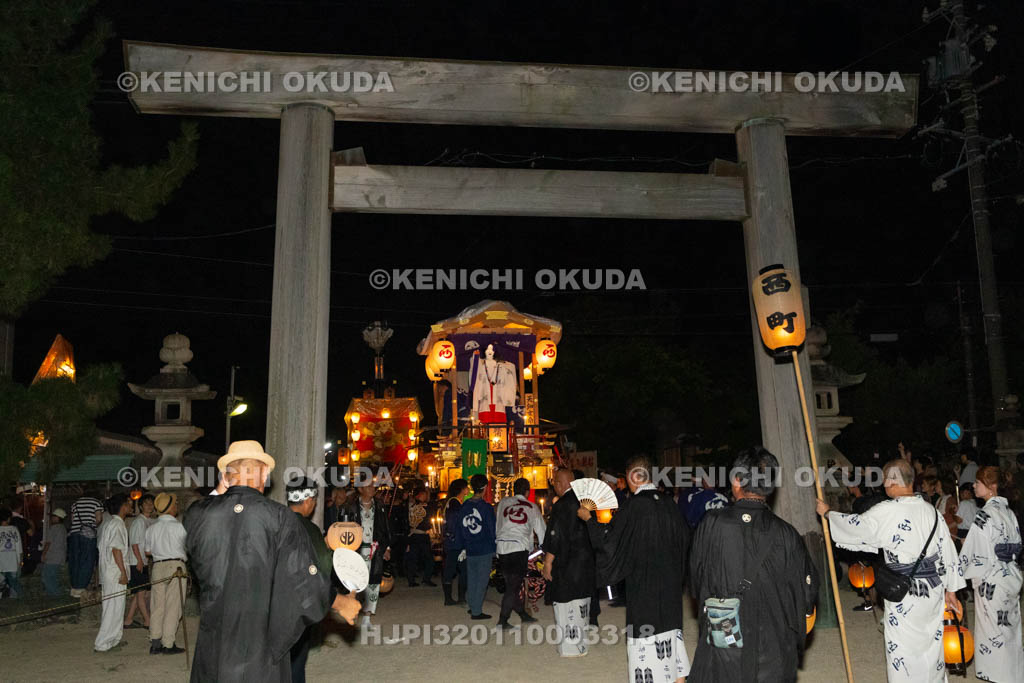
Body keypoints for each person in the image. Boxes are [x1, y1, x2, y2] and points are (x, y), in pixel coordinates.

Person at [184, 441, 331, 681]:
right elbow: (306, 588)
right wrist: (280, 640)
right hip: (260, 645)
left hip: (214, 642)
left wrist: (222, 491)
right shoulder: (281, 517)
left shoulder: (197, 515)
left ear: (225, 476)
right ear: (264, 473)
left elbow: (200, 515)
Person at [818, 458, 965, 681]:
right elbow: (948, 553)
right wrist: (951, 591)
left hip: (904, 591)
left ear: (892, 482)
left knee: (903, 650)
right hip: (933, 590)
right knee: (931, 644)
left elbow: (857, 527)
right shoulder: (931, 512)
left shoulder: (887, 511)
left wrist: (829, 514)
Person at [690, 448, 818, 682]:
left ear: (737, 480)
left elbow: (697, 579)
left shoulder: (712, 524)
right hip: (774, 642)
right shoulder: (786, 533)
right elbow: (807, 590)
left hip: (726, 634)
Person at [582, 455, 691, 683]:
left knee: (645, 643)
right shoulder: (669, 503)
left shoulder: (634, 507)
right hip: (670, 586)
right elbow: (684, 540)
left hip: (644, 587)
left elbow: (609, 542)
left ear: (632, 479)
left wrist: (589, 520)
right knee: (671, 636)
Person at [287, 477, 358, 683]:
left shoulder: (275, 521)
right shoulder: (309, 529)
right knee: (296, 663)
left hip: (267, 605)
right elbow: (321, 568)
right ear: (309, 500)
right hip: (296, 607)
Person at [958, 466, 1024, 682]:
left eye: (978, 482)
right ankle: (1013, 674)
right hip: (1011, 576)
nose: (974, 485)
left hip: (991, 580)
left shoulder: (984, 515)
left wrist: (958, 570)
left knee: (992, 631)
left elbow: (973, 552)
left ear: (990, 486)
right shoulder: (1009, 513)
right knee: (1009, 629)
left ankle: (997, 676)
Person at [542, 469, 596, 657]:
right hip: (586, 562)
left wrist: (548, 561)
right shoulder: (586, 502)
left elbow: (555, 536)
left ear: (559, 483)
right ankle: (582, 646)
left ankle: (570, 648)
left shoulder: (562, 504)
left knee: (566, 606)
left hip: (567, 563)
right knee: (582, 604)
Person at [495, 477, 546, 628]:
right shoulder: (532, 506)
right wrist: (544, 548)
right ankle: (503, 620)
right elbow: (542, 530)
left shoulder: (503, 503)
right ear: (527, 491)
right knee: (513, 586)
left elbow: (498, 522)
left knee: (512, 584)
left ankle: (523, 614)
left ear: (513, 490)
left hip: (503, 547)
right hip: (519, 548)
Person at [343, 475, 392, 627]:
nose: (372, 488)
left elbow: (386, 528)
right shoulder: (349, 507)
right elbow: (343, 529)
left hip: (375, 549)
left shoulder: (380, 505)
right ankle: (352, 611)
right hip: (356, 550)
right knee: (355, 583)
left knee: (373, 583)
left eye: (373, 486)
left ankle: (367, 616)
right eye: (368, 486)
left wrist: (387, 548)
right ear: (360, 488)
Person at [145, 492, 187, 655]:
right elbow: (186, 547)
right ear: (170, 508)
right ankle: (168, 643)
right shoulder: (178, 526)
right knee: (173, 605)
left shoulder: (151, 528)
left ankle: (155, 642)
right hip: (176, 566)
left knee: (157, 605)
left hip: (157, 566)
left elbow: (147, 551)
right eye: (175, 504)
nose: (176, 507)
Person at [455, 474, 496, 620]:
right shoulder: (486, 507)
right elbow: (491, 529)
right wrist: (495, 546)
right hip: (484, 547)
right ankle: (477, 611)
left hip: (470, 547)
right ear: (485, 488)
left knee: (472, 578)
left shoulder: (464, 506)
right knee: (482, 580)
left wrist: (462, 546)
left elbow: (459, 527)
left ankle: (473, 605)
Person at [94, 494, 131, 653]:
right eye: (129, 504)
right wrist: (123, 572)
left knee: (116, 607)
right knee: (112, 608)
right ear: (123, 506)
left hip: (110, 572)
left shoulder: (112, 524)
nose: (131, 506)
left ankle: (113, 640)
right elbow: (116, 550)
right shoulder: (117, 525)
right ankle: (102, 643)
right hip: (115, 572)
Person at [124, 494, 156, 629]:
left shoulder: (149, 521)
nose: (149, 506)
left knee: (139, 592)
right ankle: (147, 621)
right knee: (141, 593)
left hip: (142, 560)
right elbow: (135, 544)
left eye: (151, 503)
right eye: (146, 503)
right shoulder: (139, 522)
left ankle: (128, 620)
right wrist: (139, 561)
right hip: (136, 561)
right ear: (141, 506)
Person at [67, 490, 102, 598]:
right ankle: (81, 587)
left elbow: (72, 520)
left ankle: (74, 587)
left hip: (74, 534)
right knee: (87, 561)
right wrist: (92, 525)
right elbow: (99, 519)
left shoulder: (75, 503)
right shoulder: (96, 503)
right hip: (88, 535)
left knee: (75, 560)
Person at [441, 478, 469, 606]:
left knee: (453, 569)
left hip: (453, 541)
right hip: (456, 542)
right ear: (462, 489)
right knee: (460, 570)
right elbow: (455, 523)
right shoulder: (455, 503)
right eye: (466, 487)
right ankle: (457, 598)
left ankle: (454, 598)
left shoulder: (453, 502)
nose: (468, 489)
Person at [405, 486, 436, 587]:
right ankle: (423, 578)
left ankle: (413, 579)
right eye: (424, 494)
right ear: (419, 495)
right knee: (424, 558)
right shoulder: (420, 506)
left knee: (416, 558)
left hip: (416, 535)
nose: (426, 496)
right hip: (418, 535)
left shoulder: (412, 505)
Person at [40, 508, 68, 597]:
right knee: (53, 577)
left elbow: (48, 542)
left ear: (57, 517)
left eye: (53, 516)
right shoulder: (63, 528)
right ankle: (52, 594)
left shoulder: (54, 528)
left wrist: (43, 554)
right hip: (60, 556)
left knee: (47, 577)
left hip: (52, 556)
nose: (52, 518)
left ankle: (56, 594)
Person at [0, 508, 23, 598]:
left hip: (1, 562)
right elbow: (19, 547)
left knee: (2, 582)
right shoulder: (14, 529)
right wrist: (20, 561)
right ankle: (20, 598)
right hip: (12, 561)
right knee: (14, 582)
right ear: (9, 518)